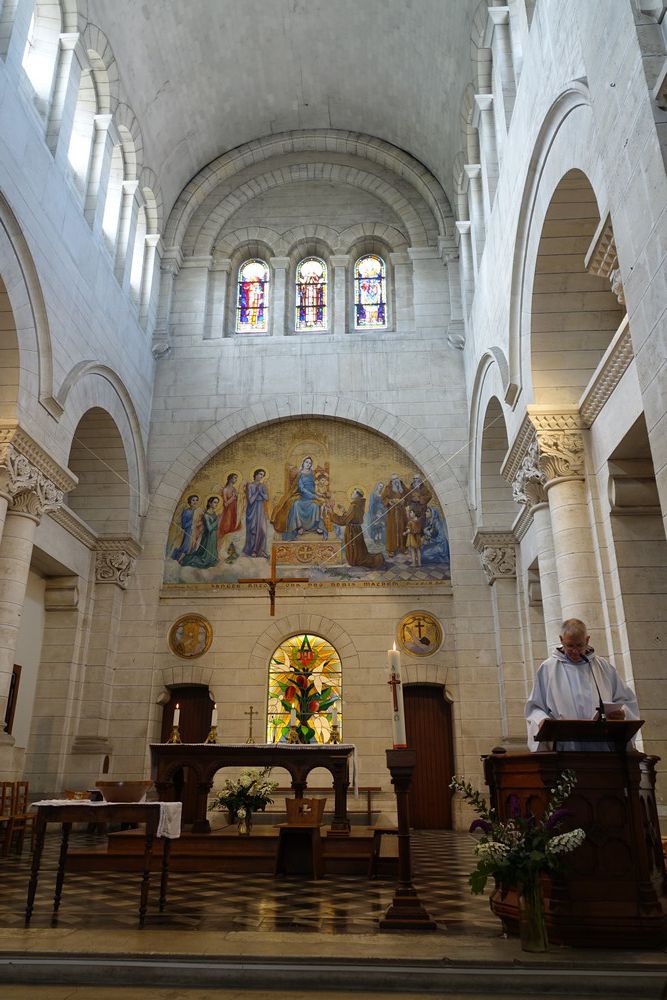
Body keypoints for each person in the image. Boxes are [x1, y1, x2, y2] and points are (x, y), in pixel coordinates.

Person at [525, 618, 639, 752]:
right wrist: (542, 720)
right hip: (565, 745)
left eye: (579, 645)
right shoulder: (548, 669)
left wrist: (622, 713)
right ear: (561, 640)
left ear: (587, 640)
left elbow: (626, 700)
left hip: (602, 744)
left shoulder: (603, 667)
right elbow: (534, 708)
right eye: (570, 646)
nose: (575, 651)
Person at [329, 490, 385, 569]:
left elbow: (343, 521)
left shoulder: (354, 505)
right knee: (358, 550)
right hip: (356, 529)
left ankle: (373, 560)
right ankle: (357, 560)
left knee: (356, 552)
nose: (352, 493)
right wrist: (344, 511)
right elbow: (352, 517)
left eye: (354, 492)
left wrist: (332, 511)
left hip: (352, 531)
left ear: (358, 495)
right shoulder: (359, 504)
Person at [180, 496, 221, 569]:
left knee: (212, 557)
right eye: (214, 502)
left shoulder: (214, 513)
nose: (216, 504)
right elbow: (210, 528)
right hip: (208, 536)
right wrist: (217, 520)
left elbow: (215, 527)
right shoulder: (206, 515)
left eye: (217, 503)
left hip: (213, 536)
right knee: (204, 558)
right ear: (209, 503)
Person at [242, 468, 269, 558]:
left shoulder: (263, 486)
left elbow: (266, 498)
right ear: (255, 475)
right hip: (252, 510)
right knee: (253, 530)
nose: (261, 476)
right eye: (260, 474)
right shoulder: (250, 486)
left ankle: (262, 550)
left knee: (263, 530)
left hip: (260, 509)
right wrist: (257, 492)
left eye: (262, 475)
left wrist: (261, 492)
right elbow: (250, 500)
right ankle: (253, 550)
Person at [170, 494, 201, 562]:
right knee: (185, 547)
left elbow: (200, 523)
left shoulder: (198, 511)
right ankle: (180, 559)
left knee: (194, 548)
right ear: (189, 501)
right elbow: (184, 525)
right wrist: (192, 521)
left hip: (195, 533)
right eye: (193, 500)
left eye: (196, 500)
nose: (195, 502)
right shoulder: (186, 511)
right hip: (188, 533)